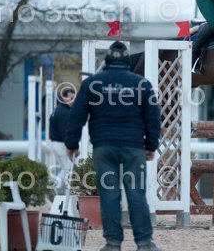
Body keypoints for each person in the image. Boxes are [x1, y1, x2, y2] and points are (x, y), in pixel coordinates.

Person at [65, 41, 161, 251]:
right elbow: (153, 117)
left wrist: (71, 144)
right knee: (136, 194)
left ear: (107, 62)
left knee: (109, 195)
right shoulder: (141, 84)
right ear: (128, 62)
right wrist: (151, 145)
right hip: (133, 148)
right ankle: (144, 243)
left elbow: (76, 116)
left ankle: (113, 243)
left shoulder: (92, 83)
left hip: (104, 147)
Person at [49, 87, 75, 193]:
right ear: (64, 98)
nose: (73, 101)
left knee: (66, 169)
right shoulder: (64, 112)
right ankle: (71, 195)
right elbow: (65, 132)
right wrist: (71, 147)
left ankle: (53, 188)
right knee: (72, 171)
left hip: (56, 144)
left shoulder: (58, 109)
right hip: (61, 145)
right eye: (71, 98)